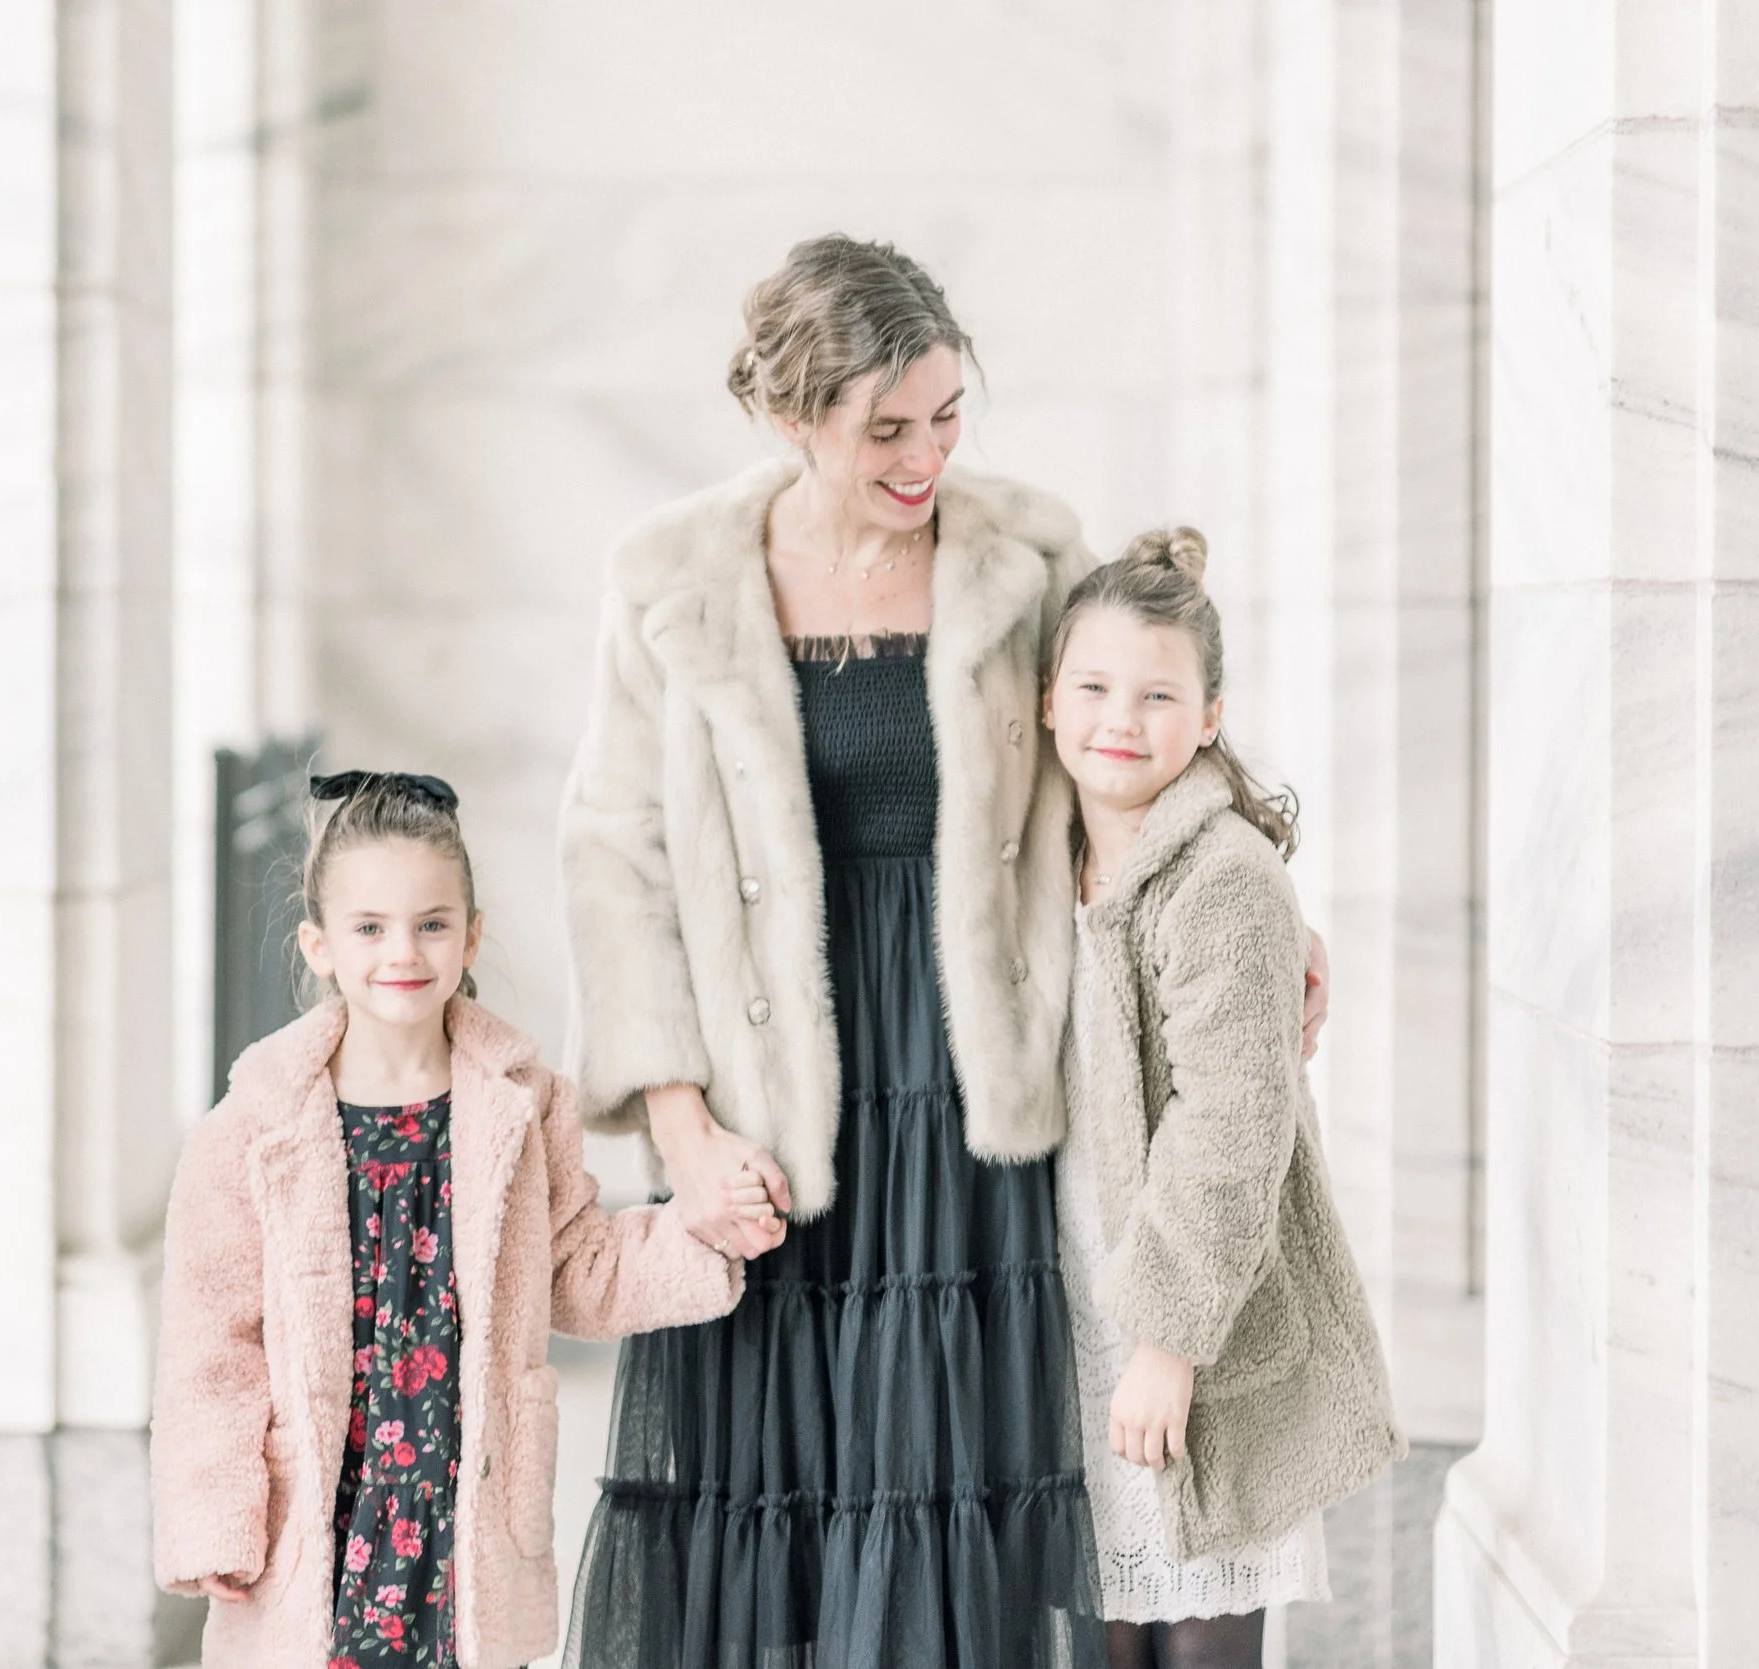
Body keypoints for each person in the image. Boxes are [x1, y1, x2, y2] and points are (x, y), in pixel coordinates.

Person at [556, 234, 1327, 1668]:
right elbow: (615, 852)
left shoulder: (1025, 550)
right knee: (774, 1510)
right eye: (886, 428)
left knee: (947, 1489)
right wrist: (682, 1122)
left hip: (983, 1097)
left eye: (948, 412)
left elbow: (1133, 722)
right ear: (790, 418)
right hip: (765, 1113)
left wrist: (1257, 880)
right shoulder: (671, 575)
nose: (927, 456)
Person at [149, 771, 746, 1669]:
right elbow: (210, 1342)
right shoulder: (251, 1130)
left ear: (471, 936)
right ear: (318, 944)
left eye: (431, 923)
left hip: (459, 1514)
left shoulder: (523, 1106)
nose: (405, 951)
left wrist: (708, 1230)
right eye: (370, 927)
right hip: (320, 1520)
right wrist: (214, 1515)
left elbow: (578, 1265)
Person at [1041, 530, 1405, 1669]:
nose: (1120, 717)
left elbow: (1232, 1124)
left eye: (1157, 695)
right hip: (1081, 1296)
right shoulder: (1046, 863)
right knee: (1109, 1629)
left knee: (1198, 1633)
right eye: (1094, 687)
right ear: (1049, 702)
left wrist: (1170, 1340)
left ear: (1208, 716)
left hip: (1194, 1315)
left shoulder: (1224, 877)